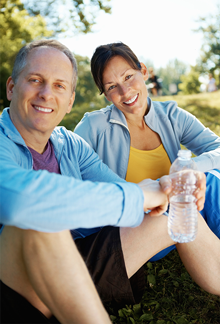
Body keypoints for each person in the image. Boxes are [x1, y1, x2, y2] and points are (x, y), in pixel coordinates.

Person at [0, 40, 220, 324]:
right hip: (16, 277)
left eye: (59, 86)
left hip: (77, 259)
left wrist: (169, 186)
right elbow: (19, 203)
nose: (46, 93)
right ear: (11, 87)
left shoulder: (71, 144)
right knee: (40, 224)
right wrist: (143, 195)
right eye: (35, 80)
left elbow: (116, 188)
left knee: (172, 213)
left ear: (69, 102)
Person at [74, 41, 220, 260]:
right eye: (112, 87)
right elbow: (68, 181)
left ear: (142, 70)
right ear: (105, 94)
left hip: (179, 209)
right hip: (139, 225)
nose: (125, 91)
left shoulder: (171, 115)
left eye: (128, 77)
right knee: (212, 182)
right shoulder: (93, 126)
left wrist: (191, 169)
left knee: (211, 180)